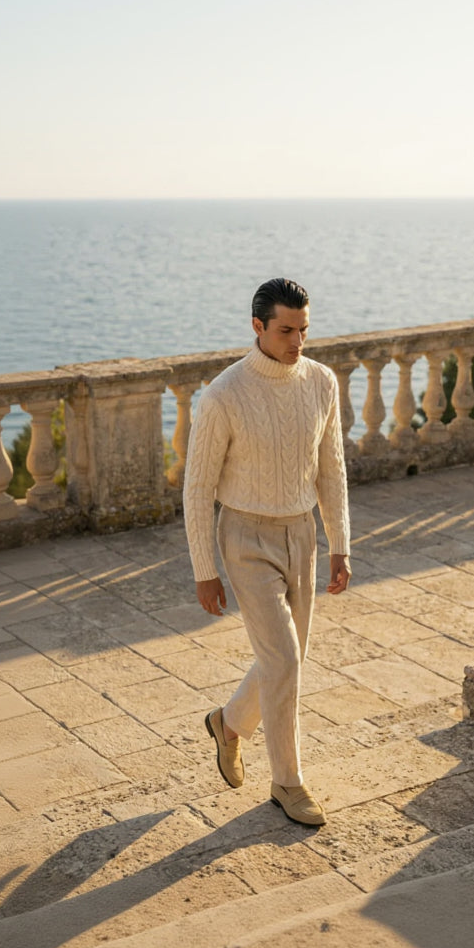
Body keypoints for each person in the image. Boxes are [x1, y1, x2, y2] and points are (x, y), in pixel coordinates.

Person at [182, 277, 351, 826]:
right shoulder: (225, 394)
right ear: (257, 327)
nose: (297, 341)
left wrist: (339, 545)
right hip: (245, 537)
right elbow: (197, 487)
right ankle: (288, 783)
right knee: (282, 659)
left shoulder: (322, 382)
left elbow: (332, 469)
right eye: (286, 330)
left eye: (304, 329)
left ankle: (228, 724)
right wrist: (205, 570)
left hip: (300, 534)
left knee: (287, 658)